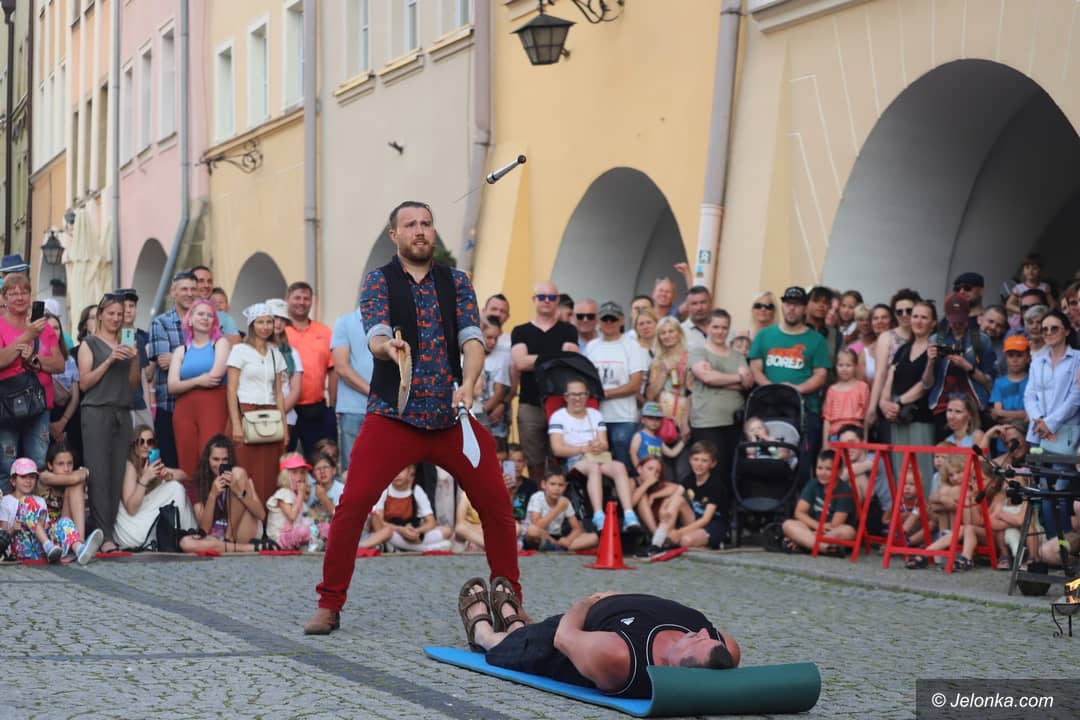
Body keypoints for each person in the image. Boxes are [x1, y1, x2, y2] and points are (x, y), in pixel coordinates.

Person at [305, 201, 520, 635]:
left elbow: (472, 340)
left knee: (497, 505)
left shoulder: (456, 281)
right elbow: (376, 334)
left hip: (450, 416)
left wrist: (469, 382)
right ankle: (329, 603)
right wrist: (388, 348)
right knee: (352, 505)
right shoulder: (378, 281)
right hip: (393, 416)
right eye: (410, 225)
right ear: (395, 235)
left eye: (426, 223)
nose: (419, 231)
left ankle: (509, 602)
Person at [457, 580, 739, 699]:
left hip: (570, 634)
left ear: (679, 668)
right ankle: (515, 623)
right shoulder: (724, 649)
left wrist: (588, 602)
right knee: (524, 632)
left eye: (698, 640)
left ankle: (484, 632)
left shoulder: (618, 656)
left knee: (509, 645)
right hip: (613, 611)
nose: (703, 633)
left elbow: (563, 638)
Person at [749, 286, 831, 485]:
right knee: (765, 458)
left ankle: (798, 501)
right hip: (769, 407)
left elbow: (821, 375)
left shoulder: (817, 340)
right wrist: (773, 388)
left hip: (804, 410)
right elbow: (755, 369)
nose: (792, 309)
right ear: (782, 306)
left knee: (802, 463)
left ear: (805, 308)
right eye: (788, 304)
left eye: (797, 305)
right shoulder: (764, 335)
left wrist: (796, 390)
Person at [79, 293, 140, 553]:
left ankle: (110, 532)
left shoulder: (127, 341)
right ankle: (102, 534)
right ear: (101, 315)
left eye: (120, 314)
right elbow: (85, 383)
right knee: (98, 473)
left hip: (121, 411)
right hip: (96, 411)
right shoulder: (89, 344)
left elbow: (133, 384)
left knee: (117, 473)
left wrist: (134, 358)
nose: (115, 318)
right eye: (111, 313)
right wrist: (110, 360)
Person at [686, 309, 750, 533]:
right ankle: (703, 520)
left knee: (728, 472)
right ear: (708, 328)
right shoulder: (698, 351)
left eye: (724, 327)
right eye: (715, 327)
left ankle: (724, 520)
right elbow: (706, 376)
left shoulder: (737, 356)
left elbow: (747, 382)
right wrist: (735, 379)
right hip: (707, 421)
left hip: (733, 422)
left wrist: (719, 379)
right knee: (707, 472)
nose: (720, 331)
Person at [549, 379, 640, 534]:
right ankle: (598, 515)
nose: (577, 398)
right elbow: (557, 449)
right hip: (575, 458)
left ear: (587, 396)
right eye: (573, 395)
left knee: (619, 467)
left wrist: (598, 446)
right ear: (566, 397)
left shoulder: (595, 414)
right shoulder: (558, 417)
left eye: (581, 394)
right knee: (594, 468)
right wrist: (582, 449)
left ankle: (629, 514)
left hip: (596, 456)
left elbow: (604, 443)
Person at [0, 273, 64, 493]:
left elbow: (59, 364)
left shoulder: (45, 327)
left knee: (37, 463)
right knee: (7, 466)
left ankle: (35, 511)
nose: (19, 297)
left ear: (30, 296)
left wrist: (35, 360)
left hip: (39, 406)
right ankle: (7, 514)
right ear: (4, 298)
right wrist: (28, 335)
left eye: (24, 292)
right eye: (13, 293)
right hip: (6, 406)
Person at [511, 281, 579, 484]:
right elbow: (520, 363)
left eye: (551, 297)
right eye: (542, 297)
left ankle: (559, 500)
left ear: (557, 300)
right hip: (529, 404)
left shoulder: (569, 330)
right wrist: (556, 357)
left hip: (560, 404)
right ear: (534, 300)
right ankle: (537, 499)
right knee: (534, 461)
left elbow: (570, 362)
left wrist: (535, 359)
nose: (546, 301)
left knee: (560, 459)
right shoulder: (520, 331)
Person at [1022, 309, 1080, 537]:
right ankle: (1051, 543)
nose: (1048, 332)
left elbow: (1076, 397)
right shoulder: (1037, 361)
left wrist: (1050, 424)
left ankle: (1064, 545)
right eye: (1044, 329)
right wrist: (1039, 420)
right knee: (1044, 492)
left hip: (1065, 433)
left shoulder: (1077, 358)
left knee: (1061, 493)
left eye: (1054, 328)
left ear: (1066, 331)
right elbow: (1029, 395)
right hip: (1039, 434)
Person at [168, 298, 230, 503]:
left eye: (209, 315)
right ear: (190, 319)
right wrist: (198, 380)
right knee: (187, 461)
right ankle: (192, 508)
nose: (205, 318)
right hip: (184, 410)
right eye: (200, 314)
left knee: (212, 457)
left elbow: (215, 377)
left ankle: (215, 507)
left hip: (213, 406)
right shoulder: (181, 350)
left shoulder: (220, 343)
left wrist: (189, 382)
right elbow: (172, 386)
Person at [226, 303, 288, 504]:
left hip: (270, 416)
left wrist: (284, 427)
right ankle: (244, 517)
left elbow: (278, 393)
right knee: (245, 468)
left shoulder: (275, 353)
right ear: (252, 324)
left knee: (269, 472)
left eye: (269, 322)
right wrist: (236, 424)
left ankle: (266, 517)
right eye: (260, 322)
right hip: (246, 412)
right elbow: (231, 390)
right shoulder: (239, 350)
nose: (265, 326)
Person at [879, 300, 938, 494]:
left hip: (921, 418)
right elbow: (890, 377)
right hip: (899, 418)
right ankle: (903, 511)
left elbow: (925, 386)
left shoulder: (934, 349)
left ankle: (925, 511)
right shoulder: (903, 349)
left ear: (933, 323)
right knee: (901, 472)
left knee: (922, 472)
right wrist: (885, 403)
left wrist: (899, 402)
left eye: (924, 317)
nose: (918, 321)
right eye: (915, 316)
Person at [0, 457, 103, 564]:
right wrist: (13, 529)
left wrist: (45, 526)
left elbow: (46, 524)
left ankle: (79, 549)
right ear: (13, 481)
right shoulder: (6, 501)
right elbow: (2, 536)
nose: (28, 481)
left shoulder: (40, 500)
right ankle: (48, 546)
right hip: (21, 548)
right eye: (23, 477)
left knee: (64, 521)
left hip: (41, 547)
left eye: (32, 477)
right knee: (26, 501)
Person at [182, 434, 273, 554]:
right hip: (215, 534)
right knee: (185, 543)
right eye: (216, 459)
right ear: (207, 459)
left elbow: (261, 515)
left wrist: (239, 491)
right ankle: (246, 548)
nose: (220, 465)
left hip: (241, 530)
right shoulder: (198, 483)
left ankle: (229, 539)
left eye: (225, 460)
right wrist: (213, 495)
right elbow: (204, 528)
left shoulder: (239, 476)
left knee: (239, 472)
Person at [585, 301, 648, 471]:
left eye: (613, 319)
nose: (609, 323)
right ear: (598, 321)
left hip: (623, 418)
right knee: (596, 466)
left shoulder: (632, 346)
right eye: (605, 319)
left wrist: (605, 393)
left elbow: (635, 384)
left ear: (622, 320)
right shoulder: (591, 347)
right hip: (596, 417)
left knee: (623, 466)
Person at [926, 292, 996, 440]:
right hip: (943, 407)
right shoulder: (936, 339)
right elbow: (927, 384)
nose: (957, 325)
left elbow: (990, 381)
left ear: (968, 316)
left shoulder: (980, 339)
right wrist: (930, 362)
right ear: (947, 317)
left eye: (961, 321)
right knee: (943, 452)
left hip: (974, 407)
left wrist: (969, 367)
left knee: (974, 451)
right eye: (953, 321)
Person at [114, 426, 196, 549]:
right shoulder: (130, 466)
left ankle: (186, 535)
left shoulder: (152, 464)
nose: (145, 446)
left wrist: (167, 475)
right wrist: (144, 479)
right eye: (141, 442)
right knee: (175, 488)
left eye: (150, 442)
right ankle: (189, 534)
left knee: (176, 487)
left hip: (144, 519)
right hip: (132, 527)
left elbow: (184, 476)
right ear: (134, 445)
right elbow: (131, 509)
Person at [148, 271, 199, 468]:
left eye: (193, 289)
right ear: (173, 292)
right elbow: (164, 363)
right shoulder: (161, 323)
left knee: (196, 464)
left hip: (199, 405)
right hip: (170, 406)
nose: (189, 293)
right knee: (171, 465)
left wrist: (177, 359)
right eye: (184, 289)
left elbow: (214, 362)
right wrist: (201, 362)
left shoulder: (204, 320)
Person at [283, 282, 337, 454]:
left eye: (306, 299)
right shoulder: (279, 332)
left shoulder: (324, 332)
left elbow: (333, 370)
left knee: (320, 459)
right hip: (287, 407)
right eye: (297, 298)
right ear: (287, 299)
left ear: (311, 302)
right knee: (285, 458)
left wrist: (333, 406)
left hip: (316, 408)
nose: (302, 302)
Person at [360, 464, 452, 552]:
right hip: (392, 532)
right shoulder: (385, 490)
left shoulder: (416, 490)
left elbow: (431, 522)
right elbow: (378, 523)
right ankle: (425, 549)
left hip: (411, 532)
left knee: (446, 531)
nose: (397, 475)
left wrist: (417, 531)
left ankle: (404, 547)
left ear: (410, 472)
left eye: (401, 470)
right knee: (386, 532)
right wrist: (400, 530)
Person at [781, 450, 856, 555]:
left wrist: (802, 537)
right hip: (812, 527)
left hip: (830, 532)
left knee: (848, 531)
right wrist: (817, 526)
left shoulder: (844, 490)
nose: (822, 473)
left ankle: (803, 544)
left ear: (840, 471)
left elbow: (835, 524)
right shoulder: (813, 484)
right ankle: (824, 548)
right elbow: (799, 513)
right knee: (787, 524)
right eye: (819, 468)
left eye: (828, 469)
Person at [866, 289, 920, 433]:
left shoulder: (926, 336)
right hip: (889, 403)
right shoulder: (887, 337)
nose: (904, 315)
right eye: (899, 312)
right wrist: (873, 407)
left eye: (909, 311)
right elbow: (880, 374)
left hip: (919, 403)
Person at [330, 302, 373, 471]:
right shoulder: (345, 322)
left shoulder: (391, 322)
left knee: (383, 468)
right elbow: (341, 367)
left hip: (387, 410)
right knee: (353, 470)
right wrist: (373, 392)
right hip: (353, 410)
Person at [667, 441, 726, 549]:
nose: (699, 464)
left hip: (713, 525)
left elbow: (706, 519)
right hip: (695, 520)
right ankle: (660, 541)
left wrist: (679, 532)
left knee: (685, 541)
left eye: (704, 461)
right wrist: (664, 512)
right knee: (677, 500)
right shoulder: (690, 478)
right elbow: (675, 497)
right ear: (690, 460)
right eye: (696, 459)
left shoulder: (715, 484)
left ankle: (711, 543)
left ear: (712, 463)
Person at [267, 298, 305, 456]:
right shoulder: (250, 349)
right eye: (275, 317)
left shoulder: (291, 353)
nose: (278, 322)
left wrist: (277, 413)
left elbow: (295, 390)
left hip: (285, 418)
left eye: (282, 319)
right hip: (256, 416)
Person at [523, 470, 596, 552]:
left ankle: (555, 548)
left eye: (561, 485)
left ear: (565, 486)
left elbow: (577, 528)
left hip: (557, 537)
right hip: (539, 536)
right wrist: (558, 509)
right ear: (543, 484)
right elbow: (537, 525)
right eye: (552, 484)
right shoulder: (537, 497)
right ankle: (556, 547)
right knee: (532, 530)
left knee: (594, 538)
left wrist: (568, 540)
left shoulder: (565, 501)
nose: (557, 488)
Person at [631, 455, 687, 557]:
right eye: (650, 469)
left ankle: (658, 538)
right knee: (642, 496)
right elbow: (630, 503)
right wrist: (646, 485)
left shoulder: (658, 484)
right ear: (639, 469)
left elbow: (677, 488)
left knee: (671, 498)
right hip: (637, 523)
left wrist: (654, 496)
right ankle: (655, 535)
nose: (653, 474)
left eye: (657, 472)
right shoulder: (631, 481)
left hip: (659, 523)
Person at [114, 288, 153, 428]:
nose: (128, 310)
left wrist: (148, 411)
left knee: (148, 440)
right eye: (124, 306)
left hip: (138, 404)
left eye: (131, 306)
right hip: (117, 407)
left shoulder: (139, 338)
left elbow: (143, 378)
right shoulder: (108, 337)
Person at [45, 312, 81, 460]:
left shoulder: (69, 360)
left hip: (66, 417)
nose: (53, 332)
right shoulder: (35, 358)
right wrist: (49, 425)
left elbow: (75, 396)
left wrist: (63, 422)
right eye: (49, 328)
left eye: (56, 328)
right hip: (43, 418)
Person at [645, 317, 690, 438]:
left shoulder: (690, 358)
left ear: (679, 333)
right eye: (663, 333)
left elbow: (693, 391)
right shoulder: (656, 361)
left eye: (671, 331)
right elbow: (650, 395)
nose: (667, 336)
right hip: (659, 419)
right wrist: (663, 372)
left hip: (684, 418)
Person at [37, 440, 89, 540]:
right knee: (74, 483)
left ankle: (80, 542)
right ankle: (78, 542)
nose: (66, 469)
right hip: (45, 535)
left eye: (70, 463)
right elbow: (74, 479)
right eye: (60, 464)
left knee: (75, 486)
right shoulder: (45, 476)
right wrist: (85, 472)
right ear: (50, 465)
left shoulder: (72, 478)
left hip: (66, 530)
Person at [265, 453, 315, 550]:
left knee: (321, 527)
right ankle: (310, 543)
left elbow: (305, 518)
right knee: (304, 531)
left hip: (295, 533)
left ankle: (314, 543)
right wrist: (301, 495)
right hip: (279, 538)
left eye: (302, 472)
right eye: (294, 472)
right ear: (285, 476)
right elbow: (292, 516)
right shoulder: (283, 493)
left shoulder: (297, 496)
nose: (299, 476)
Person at [474, 317, 511, 447]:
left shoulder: (501, 359)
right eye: (489, 337)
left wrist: (480, 412)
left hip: (488, 413)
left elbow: (499, 392)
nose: (493, 342)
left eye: (496, 338)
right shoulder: (466, 357)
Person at [822, 348, 870, 447]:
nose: (844, 369)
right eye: (840, 365)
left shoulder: (862, 387)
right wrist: (825, 444)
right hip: (835, 435)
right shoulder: (832, 390)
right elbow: (827, 419)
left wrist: (865, 440)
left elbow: (867, 417)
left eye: (848, 365)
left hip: (855, 434)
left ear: (855, 366)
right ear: (836, 366)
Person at [189, 265, 241, 340]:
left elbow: (235, 340)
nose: (206, 285)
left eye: (209, 281)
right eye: (201, 281)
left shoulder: (223, 317)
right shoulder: (177, 317)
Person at [1006, 254, 1054, 324]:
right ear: (1023, 270)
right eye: (1027, 267)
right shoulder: (1018, 288)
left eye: (1034, 268)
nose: (1030, 271)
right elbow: (1009, 304)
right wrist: (1022, 311)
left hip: (1039, 319)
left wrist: (1046, 313)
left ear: (1040, 271)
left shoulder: (1044, 287)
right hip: (1023, 319)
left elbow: (1052, 304)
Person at [681, 286, 712, 351]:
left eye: (703, 302)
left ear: (710, 303)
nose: (699, 308)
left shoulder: (723, 329)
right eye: (694, 304)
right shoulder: (680, 332)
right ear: (687, 306)